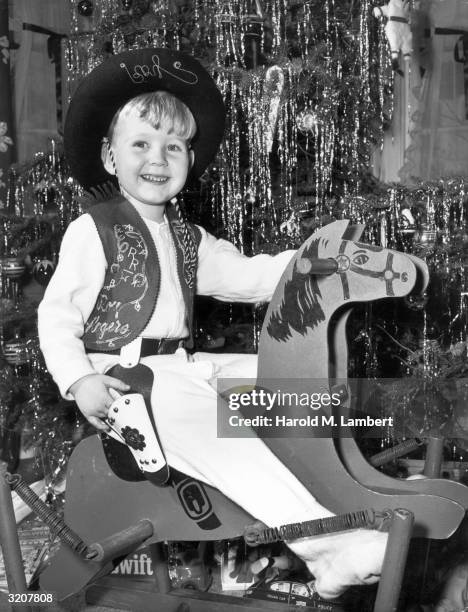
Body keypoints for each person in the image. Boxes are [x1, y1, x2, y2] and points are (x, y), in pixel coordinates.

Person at [37, 47, 387, 600]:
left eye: (174, 145)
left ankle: (356, 489)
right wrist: (78, 380)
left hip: (180, 366)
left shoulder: (186, 236)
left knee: (286, 378)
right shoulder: (93, 230)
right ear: (109, 157)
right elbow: (57, 315)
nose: (159, 157)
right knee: (209, 427)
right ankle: (328, 547)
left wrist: (315, 261)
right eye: (142, 144)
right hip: (120, 380)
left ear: (188, 158)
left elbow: (252, 277)